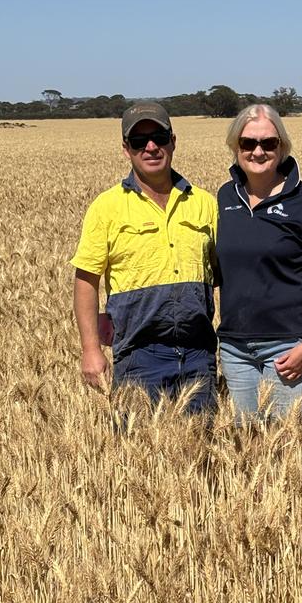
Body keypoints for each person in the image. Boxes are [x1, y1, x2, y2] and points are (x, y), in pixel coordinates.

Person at [71, 102, 219, 413]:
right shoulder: (107, 207)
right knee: (139, 451)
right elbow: (86, 280)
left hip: (198, 354)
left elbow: (228, 275)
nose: (151, 147)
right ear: (126, 149)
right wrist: (90, 349)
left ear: (173, 141)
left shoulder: (205, 203)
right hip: (138, 355)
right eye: (139, 141)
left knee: (201, 453)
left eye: (159, 137)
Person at [216, 104, 302, 419]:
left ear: (282, 146)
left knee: (292, 449)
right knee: (248, 447)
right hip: (235, 350)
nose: (258, 151)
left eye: (269, 143)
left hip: (290, 346)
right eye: (248, 143)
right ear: (236, 147)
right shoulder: (224, 198)